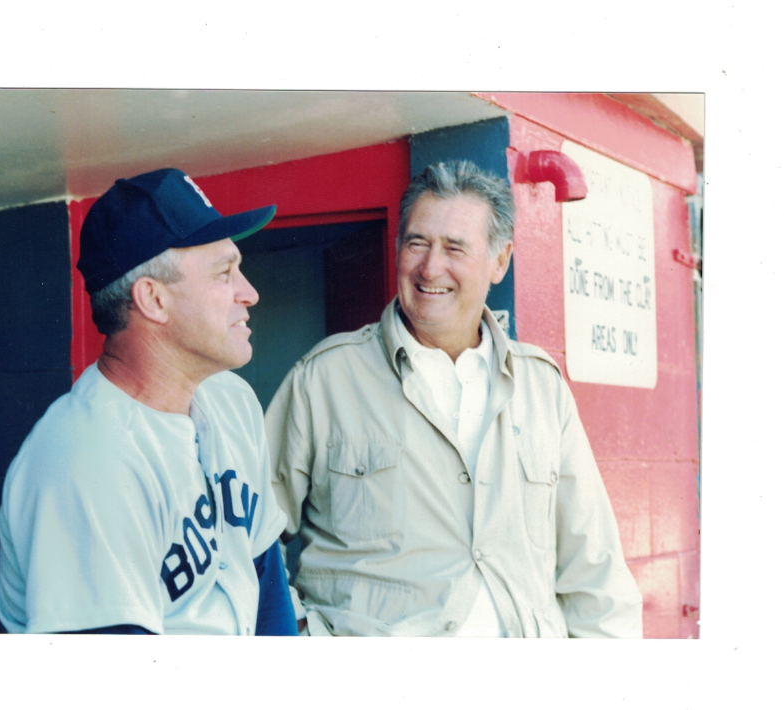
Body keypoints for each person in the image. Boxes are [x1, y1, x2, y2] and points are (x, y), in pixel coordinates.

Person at [265, 161, 642, 637]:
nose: (430, 267)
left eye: (455, 248)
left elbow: (596, 571)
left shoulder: (543, 387)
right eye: (417, 242)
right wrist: (297, 633)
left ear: (500, 261)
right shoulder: (323, 379)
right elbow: (247, 535)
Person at [0, 168, 297, 635]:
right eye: (224, 274)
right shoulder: (86, 460)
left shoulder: (230, 399)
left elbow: (263, 575)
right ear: (153, 300)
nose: (249, 293)